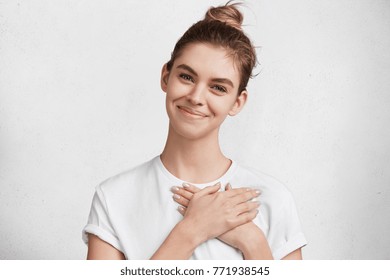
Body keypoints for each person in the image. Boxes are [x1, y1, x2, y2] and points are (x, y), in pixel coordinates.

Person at [82, 2, 307, 260]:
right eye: (187, 77)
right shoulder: (114, 198)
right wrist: (192, 230)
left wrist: (253, 242)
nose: (196, 97)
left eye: (218, 88)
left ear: (237, 102)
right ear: (166, 77)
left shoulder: (271, 198)